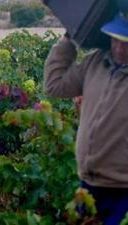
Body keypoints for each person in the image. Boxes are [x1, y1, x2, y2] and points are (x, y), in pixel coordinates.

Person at [44, 15, 128, 225]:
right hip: (88, 183)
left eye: (126, 42)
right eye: (115, 39)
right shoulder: (96, 62)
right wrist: (69, 40)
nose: (119, 48)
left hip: (123, 190)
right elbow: (55, 86)